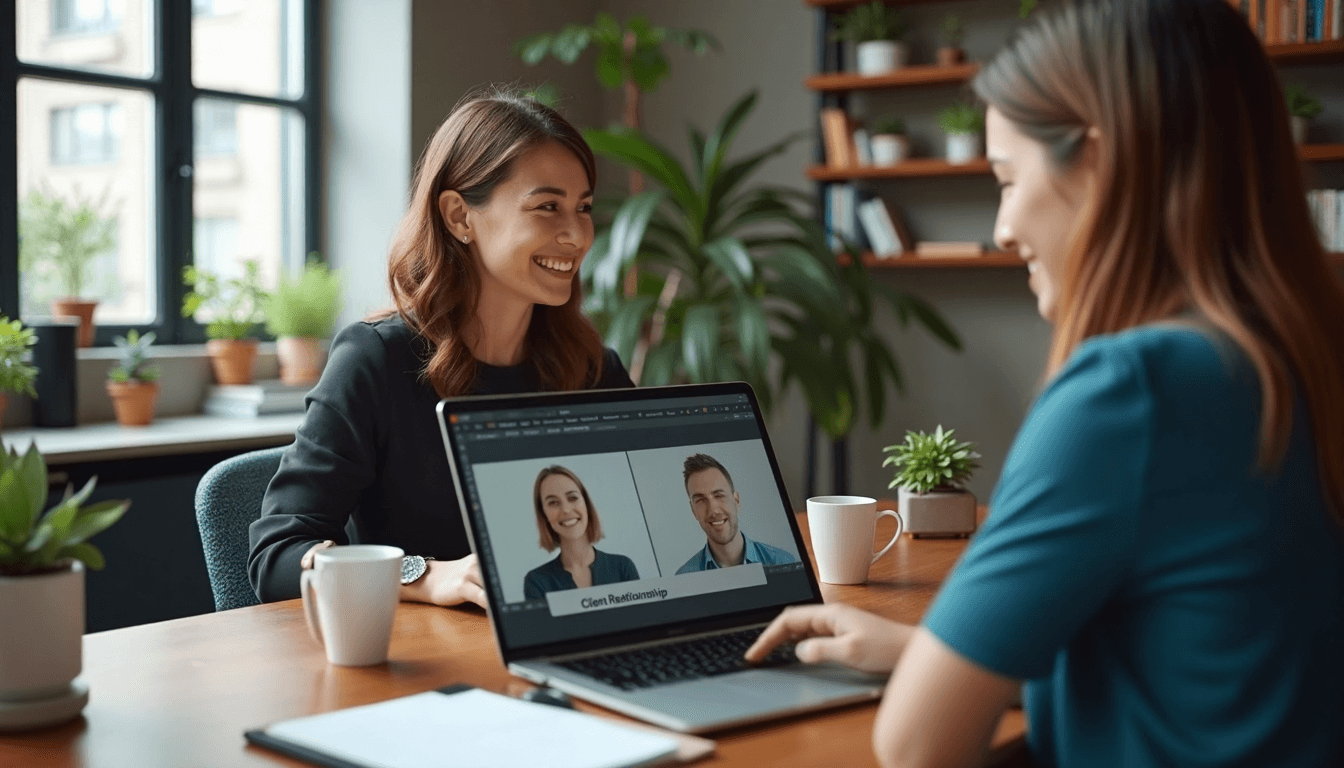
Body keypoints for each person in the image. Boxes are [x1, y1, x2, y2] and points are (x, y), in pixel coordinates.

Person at [746, 2, 1344, 766]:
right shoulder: (1294, 356)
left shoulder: (1132, 390)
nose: (1001, 227)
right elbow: (1198, 664)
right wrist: (932, 648)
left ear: (1098, 163)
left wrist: (936, 670)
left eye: (1006, 178)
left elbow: (916, 744)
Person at [248, 91, 635, 609]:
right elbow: (277, 555)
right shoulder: (376, 360)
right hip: (437, 666)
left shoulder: (594, 369)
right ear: (459, 217)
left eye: (583, 208)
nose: (577, 234)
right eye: (548, 207)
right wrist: (427, 577)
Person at [522, 466, 640, 600]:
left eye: (572, 498)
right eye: (553, 502)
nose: (566, 509)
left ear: (586, 504)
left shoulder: (623, 567)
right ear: (543, 514)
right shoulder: (536, 582)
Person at [675, 453, 796, 574]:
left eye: (719, 495)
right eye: (700, 500)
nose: (713, 510)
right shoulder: (684, 578)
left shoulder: (784, 562)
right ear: (693, 510)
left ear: (736, 500)